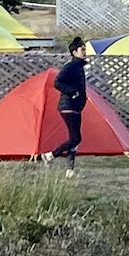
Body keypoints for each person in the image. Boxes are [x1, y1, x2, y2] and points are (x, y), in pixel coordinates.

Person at [47, 36, 91, 175]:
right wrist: (73, 92)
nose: (85, 52)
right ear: (74, 52)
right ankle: (50, 155)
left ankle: (70, 170)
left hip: (76, 107)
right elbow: (57, 82)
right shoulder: (71, 67)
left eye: (85, 49)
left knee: (75, 139)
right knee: (75, 138)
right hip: (68, 106)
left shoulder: (78, 67)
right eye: (82, 50)